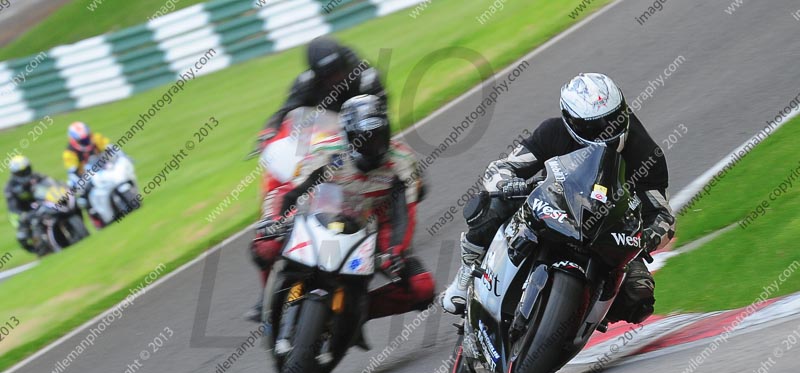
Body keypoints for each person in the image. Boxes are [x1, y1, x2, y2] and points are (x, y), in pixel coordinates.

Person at [441, 73, 675, 324]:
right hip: (552, 205)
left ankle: (580, 322)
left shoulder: (646, 154)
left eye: (614, 119)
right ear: (571, 121)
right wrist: (507, 184)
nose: (606, 131)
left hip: (608, 229)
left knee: (638, 296)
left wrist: (646, 237)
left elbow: (663, 216)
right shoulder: (553, 132)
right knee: (492, 204)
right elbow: (503, 167)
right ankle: (467, 271)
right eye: (594, 127)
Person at [250, 94, 434, 333]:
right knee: (265, 246)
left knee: (422, 288)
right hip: (323, 216)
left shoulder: (402, 161)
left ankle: (356, 313)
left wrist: (396, 250)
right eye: (364, 138)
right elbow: (291, 191)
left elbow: (404, 214)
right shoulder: (328, 151)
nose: (373, 144)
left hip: (378, 228)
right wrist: (274, 220)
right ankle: (268, 304)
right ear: (348, 136)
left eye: (378, 135)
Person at [253, 36, 385, 151]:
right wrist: (269, 132)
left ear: (343, 64)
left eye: (337, 72)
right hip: (332, 136)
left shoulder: (365, 76)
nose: (335, 79)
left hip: (365, 133)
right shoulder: (308, 82)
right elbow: (285, 110)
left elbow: (381, 112)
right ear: (318, 74)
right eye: (328, 76)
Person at [62, 121, 110, 227]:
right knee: (84, 194)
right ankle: (95, 215)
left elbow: (109, 148)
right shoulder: (69, 153)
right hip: (85, 176)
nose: (86, 141)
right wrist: (82, 180)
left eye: (87, 138)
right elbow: (72, 172)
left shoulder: (97, 138)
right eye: (83, 140)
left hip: (103, 167)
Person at [4, 155, 48, 254]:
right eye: (22, 172)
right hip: (23, 212)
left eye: (27, 170)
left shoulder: (36, 176)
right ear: (15, 173)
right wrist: (23, 215)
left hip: (41, 204)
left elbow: (49, 184)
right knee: (26, 230)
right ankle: (39, 245)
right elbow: (12, 207)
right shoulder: (10, 187)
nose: (25, 173)